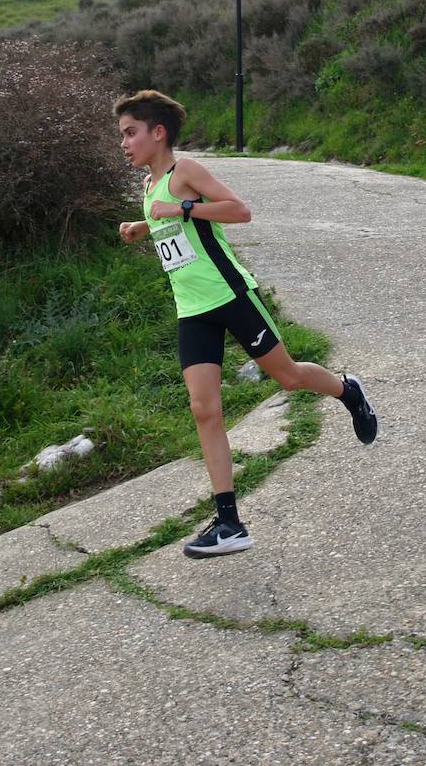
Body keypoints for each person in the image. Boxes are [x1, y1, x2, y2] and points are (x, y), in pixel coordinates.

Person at [115, 89, 378, 559]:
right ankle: (230, 523)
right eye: (122, 135)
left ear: (158, 133)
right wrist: (143, 228)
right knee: (204, 410)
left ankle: (347, 389)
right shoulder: (149, 187)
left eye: (130, 133)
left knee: (289, 376)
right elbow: (172, 230)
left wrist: (182, 209)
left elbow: (239, 210)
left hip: (231, 296)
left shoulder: (185, 173)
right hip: (191, 309)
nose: (125, 143)